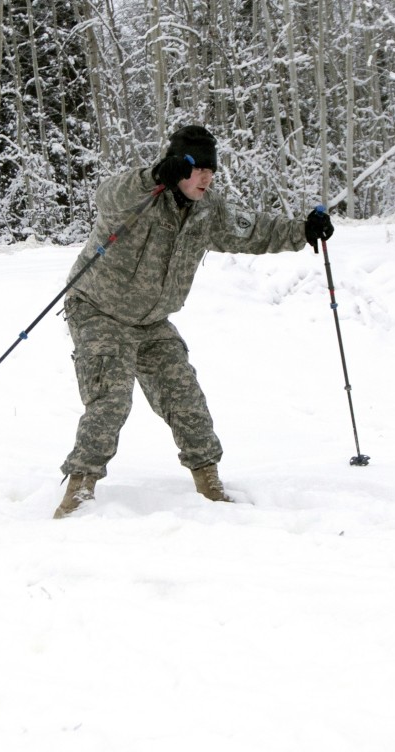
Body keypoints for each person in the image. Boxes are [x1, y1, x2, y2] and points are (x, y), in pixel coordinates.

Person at [54, 125, 334, 518]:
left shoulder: (207, 211)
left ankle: (209, 483)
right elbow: (106, 194)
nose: (206, 177)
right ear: (177, 168)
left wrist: (302, 231)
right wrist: (154, 175)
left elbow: (253, 230)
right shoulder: (140, 197)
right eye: (196, 168)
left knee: (186, 397)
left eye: (211, 170)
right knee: (111, 399)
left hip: (151, 322)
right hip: (99, 310)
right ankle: (78, 492)